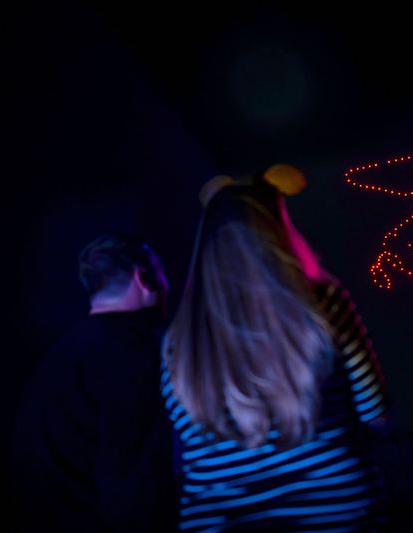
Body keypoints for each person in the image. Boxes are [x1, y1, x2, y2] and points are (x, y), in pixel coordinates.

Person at [161, 165, 389, 531]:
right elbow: (373, 412)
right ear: (277, 231)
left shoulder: (177, 339)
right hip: (334, 514)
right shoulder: (323, 303)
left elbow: (186, 444)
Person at [14, 234, 177, 532]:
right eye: (162, 273)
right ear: (144, 278)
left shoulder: (55, 359)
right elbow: (129, 480)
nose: (168, 285)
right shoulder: (137, 356)